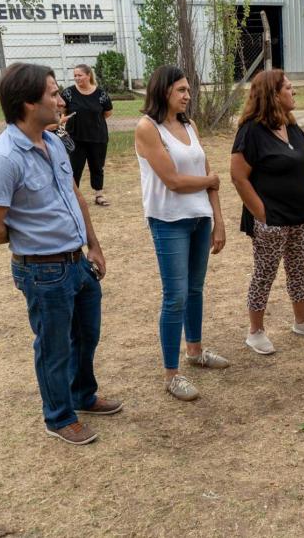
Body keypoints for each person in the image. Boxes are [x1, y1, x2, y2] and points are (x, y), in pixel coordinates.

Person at [0, 63, 122, 446]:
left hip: (78, 262)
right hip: (44, 271)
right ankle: (58, 417)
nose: (61, 100)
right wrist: (30, 234)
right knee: (54, 347)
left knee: (87, 336)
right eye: (54, 94)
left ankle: (82, 396)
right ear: (26, 102)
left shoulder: (53, 141)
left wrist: (95, 244)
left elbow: (74, 194)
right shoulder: (3, 158)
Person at [134, 65, 230, 402]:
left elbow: (207, 171)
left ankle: (195, 351)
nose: (188, 95)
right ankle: (172, 374)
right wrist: (210, 182)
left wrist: (218, 219)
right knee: (175, 295)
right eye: (181, 90)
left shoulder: (190, 125)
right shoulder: (148, 128)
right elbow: (173, 180)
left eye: (189, 90)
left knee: (195, 290)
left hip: (200, 218)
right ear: (163, 92)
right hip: (169, 221)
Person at [230, 69, 304, 355]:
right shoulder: (251, 132)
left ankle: (302, 321)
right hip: (272, 222)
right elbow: (238, 176)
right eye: (288, 87)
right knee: (264, 274)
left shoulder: (291, 125)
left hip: (302, 217)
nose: (293, 92)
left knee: (298, 271)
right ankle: (255, 331)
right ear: (273, 94)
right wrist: (262, 214)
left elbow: (301, 165)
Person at [61, 64, 113, 206]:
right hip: (75, 137)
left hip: (97, 137)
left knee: (97, 166)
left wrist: (92, 121)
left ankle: (99, 195)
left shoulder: (101, 94)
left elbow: (107, 112)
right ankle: (73, 196)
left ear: (88, 75)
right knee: (75, 167)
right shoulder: (68, 93)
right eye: (75, 76)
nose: (77, 78)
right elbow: (62, 110)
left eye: (80, 75)